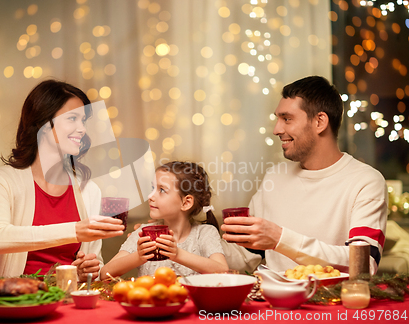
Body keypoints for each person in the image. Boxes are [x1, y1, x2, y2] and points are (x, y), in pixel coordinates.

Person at [221, 76, 387, 274]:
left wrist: (280, 239)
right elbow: (245, 256)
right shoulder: (275, 176)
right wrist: (188, 240)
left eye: (287, 119)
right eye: (278, 119)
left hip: (333, 302)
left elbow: (363, 263)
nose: (277, 130)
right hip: (272, 301)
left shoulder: (365, 181)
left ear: (319, 122)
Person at [0, 80, 124, 281]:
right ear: (44, 123)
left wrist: (87, 271)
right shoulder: (3, 180)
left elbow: (95, 266)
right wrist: (75, 230)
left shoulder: (89, 191)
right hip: (14, 300)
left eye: (82, 121)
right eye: (72, 118)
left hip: (67, 299)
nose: (82, 129)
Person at [101, 161, 229, 278]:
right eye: (152, 188)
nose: (150, 196)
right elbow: (105, 273)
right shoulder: (143, 233)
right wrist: (138, 256)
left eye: (162, 190)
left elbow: (223, 271)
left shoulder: (204, 233)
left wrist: (178, 254)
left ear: (186, 203)